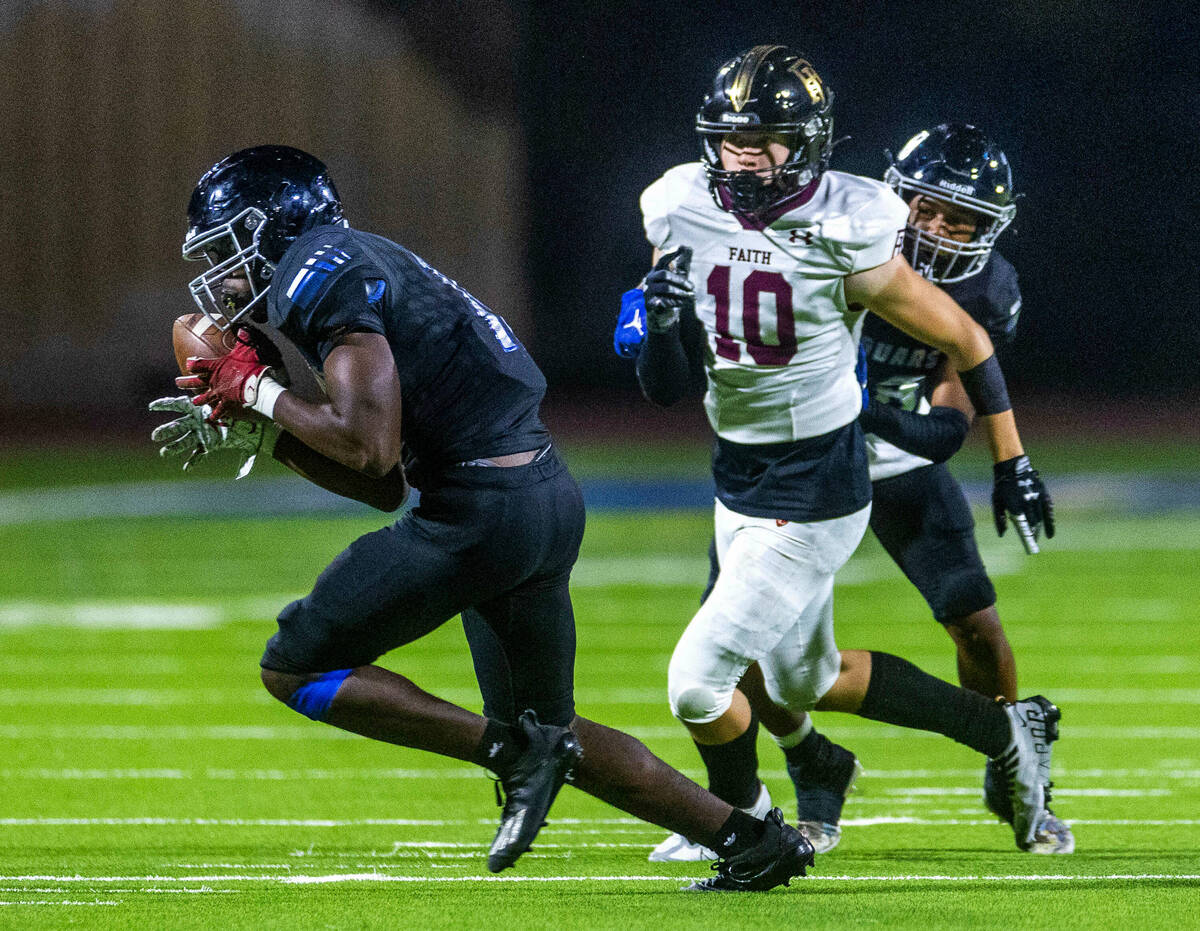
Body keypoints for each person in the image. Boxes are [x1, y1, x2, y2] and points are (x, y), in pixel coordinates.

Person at [149, 144, 815, 892]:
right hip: (538, 496)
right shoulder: (347, 262)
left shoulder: (318, 266)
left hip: (481, 511)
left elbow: (369, 451)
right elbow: (382, 484)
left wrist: (262, 392)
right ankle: (752, 838)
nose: (224, 274)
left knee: (294, 664)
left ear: (276, 225)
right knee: (551, 728)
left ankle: (511, 752)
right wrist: (266, 423)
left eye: (231, 246)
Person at [620, 45, 1066, 861]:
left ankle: (745, 826)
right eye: (731, 139)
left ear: (812, 142)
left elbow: (959, 367)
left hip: (824, 474)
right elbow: (664, 385)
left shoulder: (853, 226)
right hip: (742, 472)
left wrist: (1012, 460)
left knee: (700, 676)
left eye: (767, 140)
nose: (744, 158)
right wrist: (660, 323)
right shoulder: (681, 203)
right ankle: (994, 733)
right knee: (800, 679)